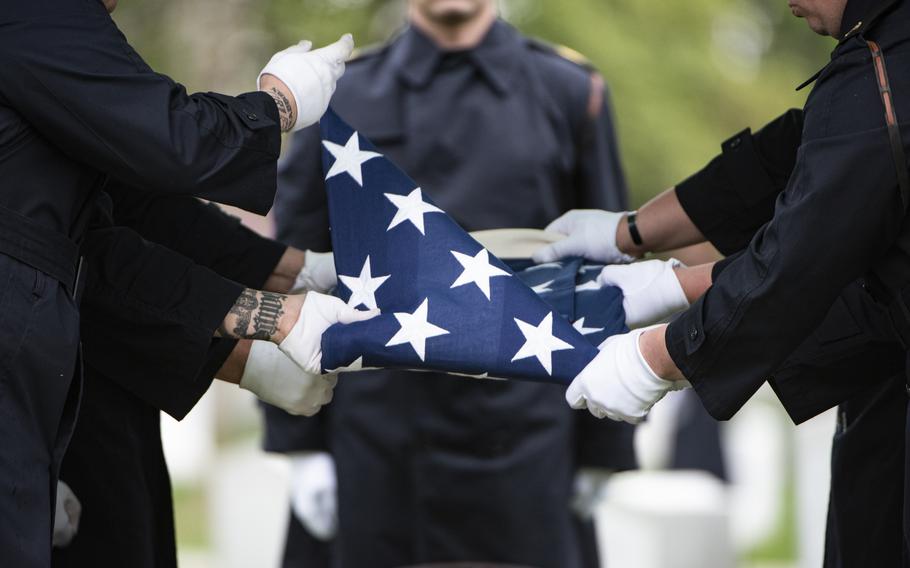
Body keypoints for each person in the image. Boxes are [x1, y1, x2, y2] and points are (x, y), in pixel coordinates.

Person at [537, 0, 910, 564]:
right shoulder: (881, 54)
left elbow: (812, 247)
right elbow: (801, 151)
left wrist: (659, 354)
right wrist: (630, 233)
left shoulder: (894, 61)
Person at [264, 2, 636, 567]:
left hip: (525, 437)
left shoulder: (567, 88)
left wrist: (605, 447)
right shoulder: (344, 91)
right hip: (377, 439)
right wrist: (299, 445)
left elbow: (604, 270)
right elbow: (291, 263)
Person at [0, 0, 359, 564]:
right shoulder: (39, 13)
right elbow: (175, 143)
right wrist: (277, 104)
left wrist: (290, 275)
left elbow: (112, 219)